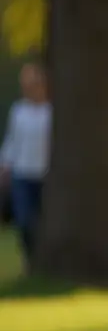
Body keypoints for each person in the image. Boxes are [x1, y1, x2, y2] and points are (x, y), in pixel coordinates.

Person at [0, 62, 51, 268]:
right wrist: (4, 165)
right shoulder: (19, 111)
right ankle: (29, 261)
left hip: (44, 174)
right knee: (24, 220)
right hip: (22, 173)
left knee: (42, 221)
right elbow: (12, 141)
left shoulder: (50, 112)